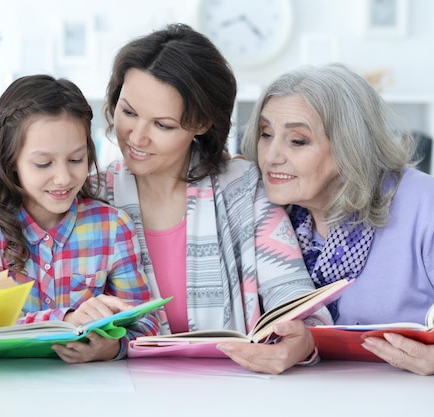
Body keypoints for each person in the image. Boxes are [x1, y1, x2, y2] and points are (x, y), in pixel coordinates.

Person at [98, 23, 330, 374]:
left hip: (232, 391)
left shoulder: (243, 188)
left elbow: (295, 302)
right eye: (128, 112)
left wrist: (303, 339)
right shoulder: (92, 196)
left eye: (163, 125)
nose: (137, 137)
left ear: (202, 123)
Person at [240, 63, 434, 376]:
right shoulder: (269, 215)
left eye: (298, 141)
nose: (271, 156)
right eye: (265, 134)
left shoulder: (425, 204)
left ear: (351, 145)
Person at [0, 74, 159, 363]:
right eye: (43, 163)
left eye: (76, 160)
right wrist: (68, 319)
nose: (63, 177)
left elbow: (147, 323)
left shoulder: (113, 227)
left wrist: (113, 347)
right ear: (11, 161)